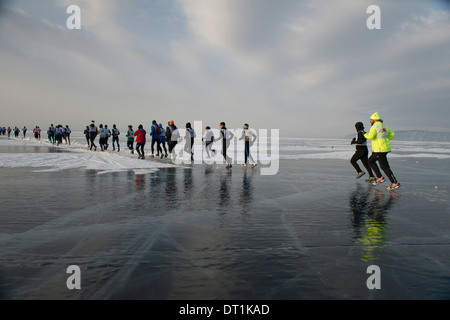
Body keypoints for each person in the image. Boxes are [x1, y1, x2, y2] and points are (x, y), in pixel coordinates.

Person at [364, 112, 400, 191]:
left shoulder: (374, 127)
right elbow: (392, 134)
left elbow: (371, 136)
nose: (370, 121)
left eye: (371, 120)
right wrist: (386, 139)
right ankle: (380, 177)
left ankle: (394, 182)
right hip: (383, 148)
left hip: (379, 150)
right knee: (370, 161)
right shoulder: (384, 126)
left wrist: (365, 134)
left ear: (374, 120)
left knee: (384, 166)